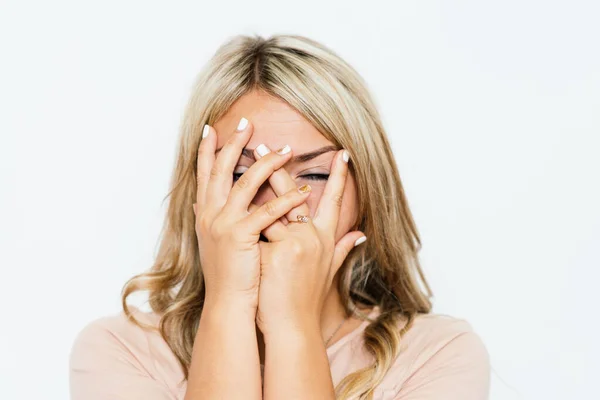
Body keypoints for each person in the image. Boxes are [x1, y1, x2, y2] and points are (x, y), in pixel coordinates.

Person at [69, 34, 490, 400]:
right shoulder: (119, 351)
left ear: (368, 192)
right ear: (198, 187)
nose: (280, 202)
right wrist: (230, 303)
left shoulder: (437, 356)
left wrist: (291, 322)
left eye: (314, 173)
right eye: (242, 174)